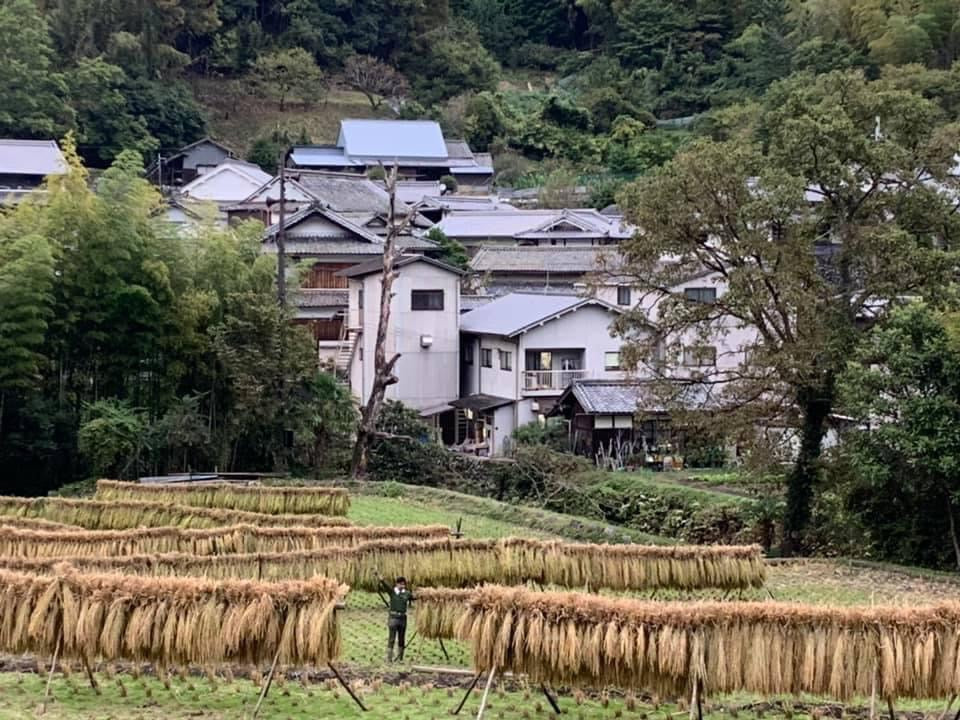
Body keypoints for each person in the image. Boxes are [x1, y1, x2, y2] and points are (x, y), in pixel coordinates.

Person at [378, 574, 413, 662]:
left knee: (402, 639)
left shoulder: (407, 593)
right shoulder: (392, 592)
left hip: (402, 618)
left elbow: (414, 597)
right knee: (392, 639)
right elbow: (386, 586)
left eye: (403, 584)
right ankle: (389, 658)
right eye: (400, 584)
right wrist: (381, 580)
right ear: (397, 584)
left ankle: (400, 658)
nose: (402, 586)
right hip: (393, 618)